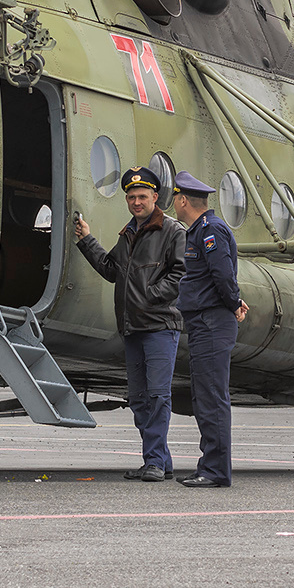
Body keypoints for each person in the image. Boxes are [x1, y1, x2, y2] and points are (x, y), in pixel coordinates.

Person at [74, 166, 186, 482]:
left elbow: (182, 274)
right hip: (133, 328)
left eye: (142, 196)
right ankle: (160, 461)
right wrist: (87, 240)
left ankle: (153, 460)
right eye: (131, 197)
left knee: (157, 395)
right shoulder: (128, 235)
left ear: (155, 197)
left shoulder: (173, 232)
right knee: (138, 398)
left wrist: (150, 295)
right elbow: (112, 270)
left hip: (160, 326)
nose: (137, 202)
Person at [170, 171, 248, 488]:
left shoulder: (210, 230)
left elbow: (222, 274)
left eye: (175, 197)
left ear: (183, 199)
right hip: (205, 321)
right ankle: (209, 464)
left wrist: (233, 304)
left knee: (212, 397)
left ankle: (215, 470)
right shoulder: (199, 230)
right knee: (205, 396)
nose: (173, 203)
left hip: (212, 321)